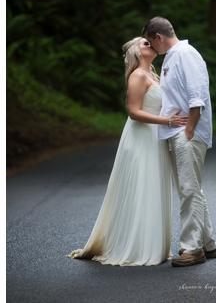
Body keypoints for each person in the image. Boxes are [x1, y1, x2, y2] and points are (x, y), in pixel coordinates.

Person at [68, 37, 188, 266]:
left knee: (153, 187)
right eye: (145, 43)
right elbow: (134, 112)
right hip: (141, 137)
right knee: (141, 186)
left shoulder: (154, 75)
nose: (151, 44)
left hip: (156, 137)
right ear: (136, 52)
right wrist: (167, 121)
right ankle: (136, 246)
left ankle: (152, 243)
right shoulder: (137, 76)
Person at [142, 17, 216, 267]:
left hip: (187, 132)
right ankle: (208, 244)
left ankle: (192, 249)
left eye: (151, 43)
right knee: (191, 188)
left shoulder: (186, 54)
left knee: (188, 190)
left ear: (159, 37)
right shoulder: (171, 57)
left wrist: (190, 129)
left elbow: (198, 94)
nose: (152, 48)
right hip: (177, 132)